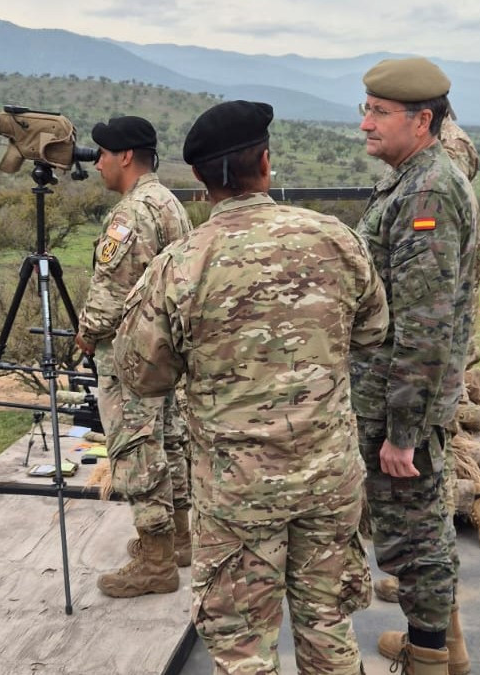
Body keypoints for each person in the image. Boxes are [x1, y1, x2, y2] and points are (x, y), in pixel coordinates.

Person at [113, 100, 389, 674]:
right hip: (328, 477)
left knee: (242, 647)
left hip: (236, 490)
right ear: (266, 162)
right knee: (329, 627)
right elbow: (372, 332)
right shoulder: (336, 240)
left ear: (199, 179)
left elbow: (143, 374)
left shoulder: (180, 264)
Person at [350, 57, 480, 675]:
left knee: (418, 538)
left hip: (403, 403)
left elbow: (424, 328)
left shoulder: (427, 191)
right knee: (416, 528)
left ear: (421, 120)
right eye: (366, 109)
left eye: (379, 113)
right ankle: (443, 646)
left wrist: (403, 432)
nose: (365, 124)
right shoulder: (413, 178)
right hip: (395, 395)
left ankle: (429, 660)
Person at [74, 115, 193, 598]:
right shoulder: (170, 203)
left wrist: (85, 334)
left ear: (125, 156)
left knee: (135, 450)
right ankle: (180, 538)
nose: (97, 163)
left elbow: (111, 292)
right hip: (166, 351)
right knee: (170, 441)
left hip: (132, 357)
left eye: (103, 153)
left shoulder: (130, 213)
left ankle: (157, 559)